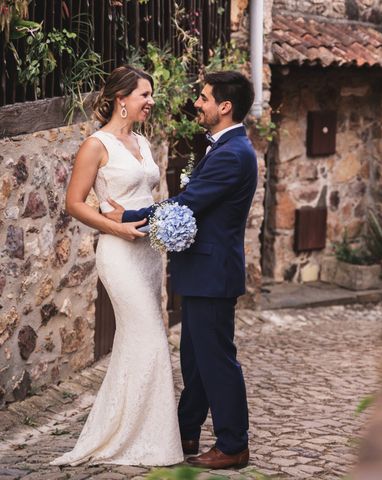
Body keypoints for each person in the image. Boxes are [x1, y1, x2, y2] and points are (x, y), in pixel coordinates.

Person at [104, 71, 257, 469]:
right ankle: (187, 429)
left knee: (216, 360)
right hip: (203, 271)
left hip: (213, 273)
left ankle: (233, 443)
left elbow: (189, 203)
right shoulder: (225, 147)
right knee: (195, 358)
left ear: (225, 106)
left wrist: (131, 215)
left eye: (204, 98)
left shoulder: (233, 154)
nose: (198, 104)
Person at [51, 65, 183, 466]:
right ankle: (145, 439)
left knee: (137, 339)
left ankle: (135, 428)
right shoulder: (96, 144)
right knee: (151, 338)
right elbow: (74, 203)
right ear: (121, 99)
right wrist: (115, 227)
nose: (151, 101)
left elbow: (148, 195)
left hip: (147, 254)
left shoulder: (142, 141)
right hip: (118, 252)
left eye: (151, 94)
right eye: (145, 94)